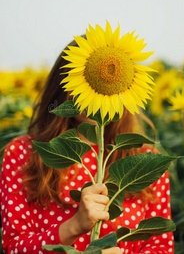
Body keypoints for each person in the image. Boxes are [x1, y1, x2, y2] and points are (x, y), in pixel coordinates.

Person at [0, 38, 174, 254]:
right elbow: (14, 247)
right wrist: (74, 226)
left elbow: (160, 247)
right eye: (86, 80)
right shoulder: (24, 154)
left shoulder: (145, 160)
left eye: (112, 80)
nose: (97, 95)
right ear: (62, 86)